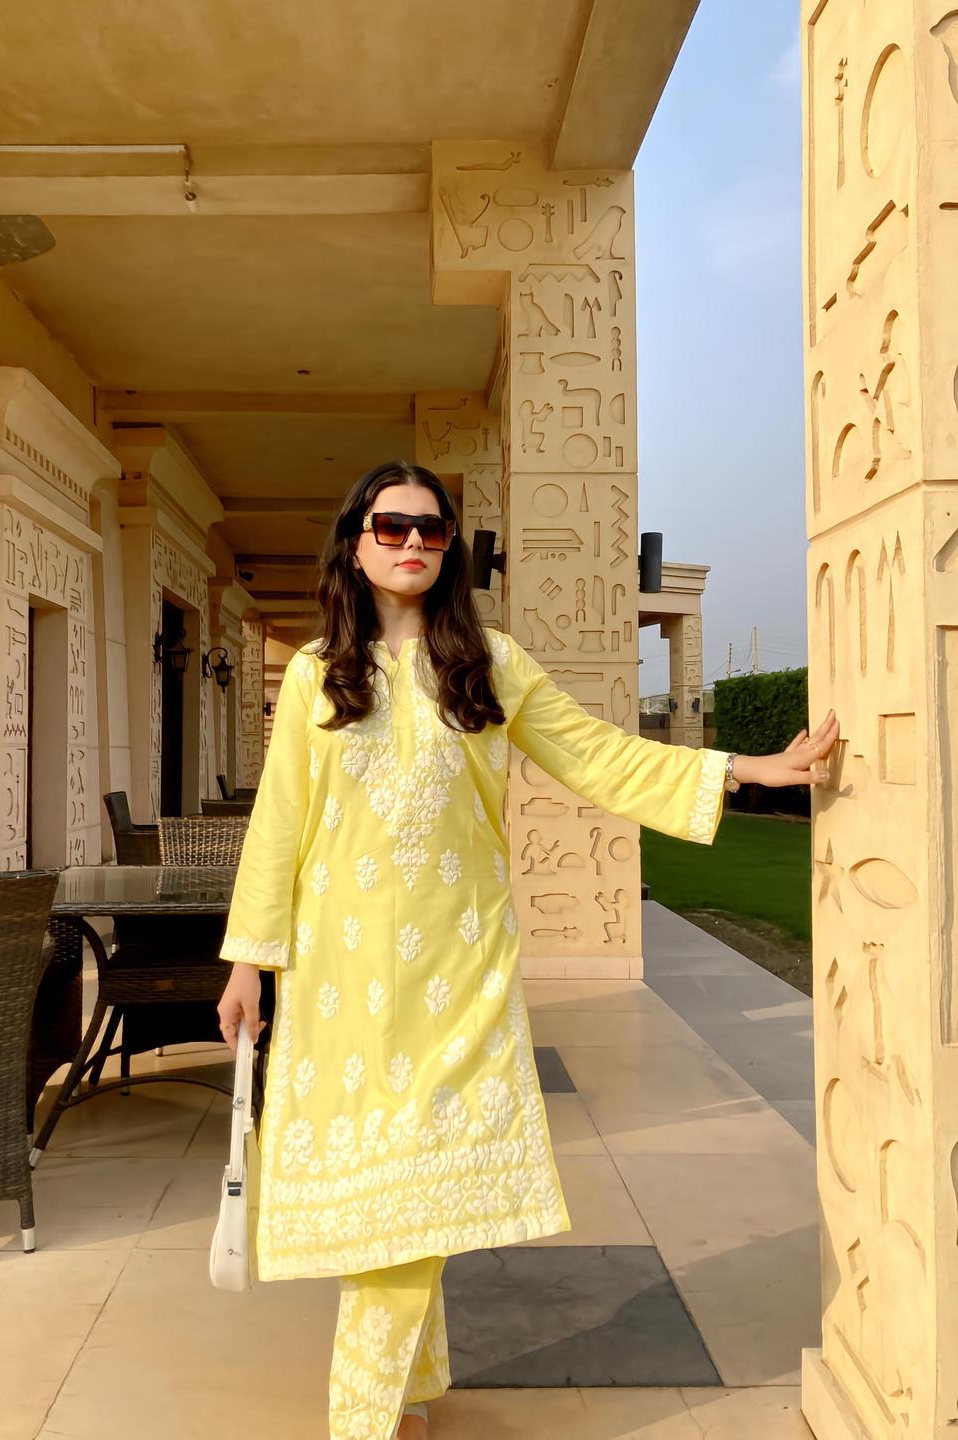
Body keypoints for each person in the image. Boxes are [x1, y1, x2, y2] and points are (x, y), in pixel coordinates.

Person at [216, 460, 838, 1440]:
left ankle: (362, 1421)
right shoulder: (314, 675)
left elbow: (599, 756)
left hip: (455, 977)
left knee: (409, 1197)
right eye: (391, 526)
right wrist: (249, 959)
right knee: (391, 1200)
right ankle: (412, 1389)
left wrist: (745, 769)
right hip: (343, 984)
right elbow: (280, 824)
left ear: (449, 549)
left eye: (431, 529)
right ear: (355, 544)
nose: (412, 543)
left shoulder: (490, 666)